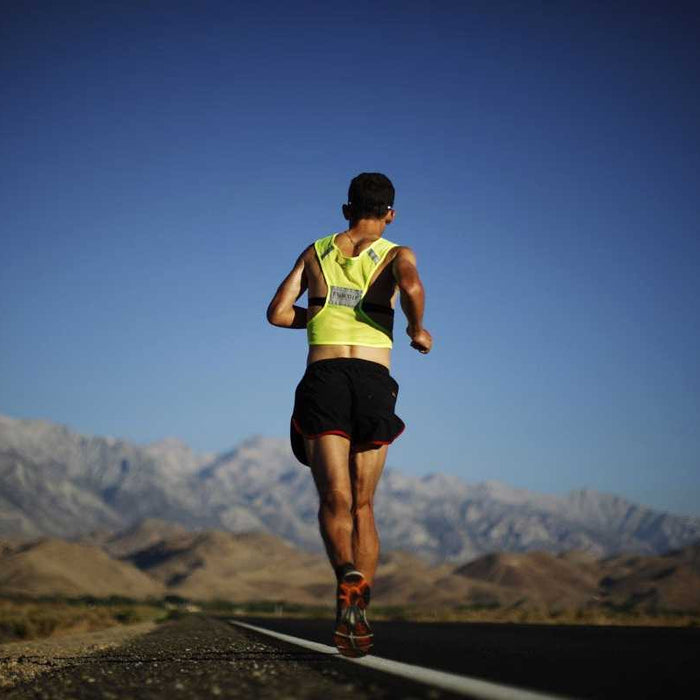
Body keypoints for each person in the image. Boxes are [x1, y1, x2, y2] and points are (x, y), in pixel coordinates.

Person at [266, 172, 432, 656]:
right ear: (391, 214)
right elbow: (414, 288)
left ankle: (346, 575)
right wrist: (417, 329)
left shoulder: (315, 252)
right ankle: (361, 606)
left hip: (324, 378)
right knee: (363, 505)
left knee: (333, 498)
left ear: (346, 210)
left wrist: (316, 316)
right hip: (373, 380)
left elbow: (277, 312)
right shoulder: (399, 253)